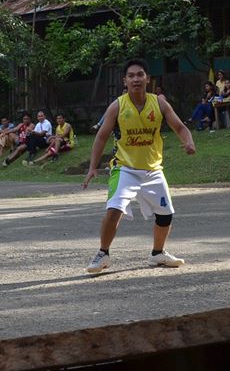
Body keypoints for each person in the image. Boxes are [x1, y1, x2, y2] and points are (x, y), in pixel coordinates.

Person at [82, 58, 196, 274]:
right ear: (124, 81)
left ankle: (158, 253)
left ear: (147, 78)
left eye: (140, 74)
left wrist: (188, 141)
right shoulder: (117, 106)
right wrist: (92, 167)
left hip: (153, 169)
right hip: (124, 168)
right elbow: (101, 137)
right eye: (131, 75)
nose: (136, 79)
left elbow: (180, 127)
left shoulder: (159, 103)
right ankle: (103, 254)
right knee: (114, 209)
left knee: (166, 214)